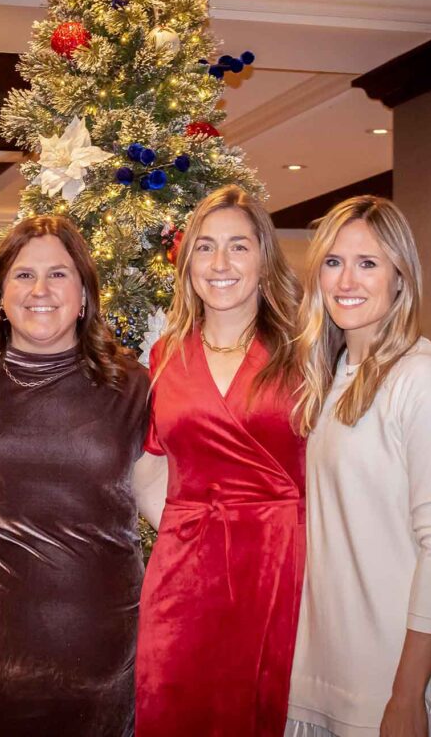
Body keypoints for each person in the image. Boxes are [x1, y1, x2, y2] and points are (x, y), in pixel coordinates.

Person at [0, 215, 150, 736]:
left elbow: (174, 506)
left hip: (100, 660)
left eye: (59, 274)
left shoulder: (133, 387)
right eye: (24, 276)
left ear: (86, 294)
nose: (41, 290)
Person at [285, 196, 431, 737]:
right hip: (325, 673)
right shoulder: (329, 373)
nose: (347, 279)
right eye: (333, 261)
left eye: (368, 263)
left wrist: (407, 694)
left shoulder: (424, 380)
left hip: (394, 685)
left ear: (400, 277)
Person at [135, 184, 306, 736]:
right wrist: (183, 527)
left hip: (282, 568)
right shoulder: (164, 355)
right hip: (184, 577)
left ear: (263, 256)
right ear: (187, 264)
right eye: (205, 247)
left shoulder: (305, 349)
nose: (220, 263)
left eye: (238, 245)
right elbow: (149, 462)